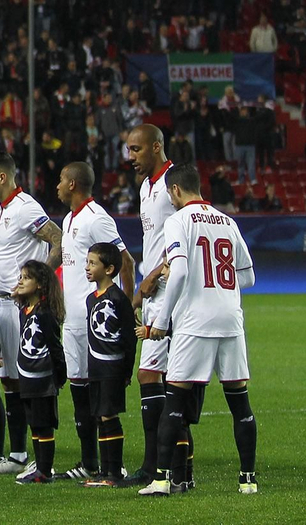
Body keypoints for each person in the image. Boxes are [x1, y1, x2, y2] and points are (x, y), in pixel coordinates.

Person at [140, 164, 259, 497]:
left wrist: (161, 322)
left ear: (175, 191)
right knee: (240, 402)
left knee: (175, 400)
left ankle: (162, 479)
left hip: (195, 322)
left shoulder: (177, 221)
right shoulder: (228, 221)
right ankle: (247, 479)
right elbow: (248, 277)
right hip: (230, 320)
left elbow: (178, 273)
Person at [0, 151, 62, 474]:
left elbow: (58, 239)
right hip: (2, 302)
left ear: (2, 177)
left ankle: (36, 458)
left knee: (29, 382)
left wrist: (40, 283)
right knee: (10, 382)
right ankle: (18, 455)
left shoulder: (27, 209)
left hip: (23, 309)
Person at [58, 161, 133, 480]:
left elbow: (124, 260)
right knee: (78, 391)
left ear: (73, 184)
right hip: (71, 320)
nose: (57, 185)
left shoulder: (96, 218)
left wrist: (128, 306)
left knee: (100, 396)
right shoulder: (68, 219)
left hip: (94, 323)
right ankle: (88, 463)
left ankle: (111, 466)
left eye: (61, 180)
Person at [126, 124, 181, 486]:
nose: (130, 158)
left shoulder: (173, 184)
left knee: (153, 374)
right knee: (165, 378)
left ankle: (156, 466)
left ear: (156, 147)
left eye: (136, 150)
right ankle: (173, 466)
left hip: (168, 291)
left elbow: (185, 238)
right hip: (152, 291)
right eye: (129, 150)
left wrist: (156, 273)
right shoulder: (146, 187)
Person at [84, 242, 137, 486]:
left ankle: (114, 471)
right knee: (98, 415)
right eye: (87, 262)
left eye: (93, 263)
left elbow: (128, 338)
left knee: (108, 415)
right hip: (95, 367)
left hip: (112, 368)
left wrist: (126, 371)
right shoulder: (90, 299)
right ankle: (104, 470)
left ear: (109, 269)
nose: (87, 267)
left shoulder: (119, 299)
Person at [11, 261, 66, 484]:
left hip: (43, 380)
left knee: (44, 425)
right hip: (27, 379)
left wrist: (59, 377)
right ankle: (40, 468)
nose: (20, 281)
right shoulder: (25, 310)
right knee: (34, 423)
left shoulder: (45, 314)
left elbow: (55, 348)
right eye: (20, 276)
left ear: (41, 285)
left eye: (26, 277)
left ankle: (45, 470)